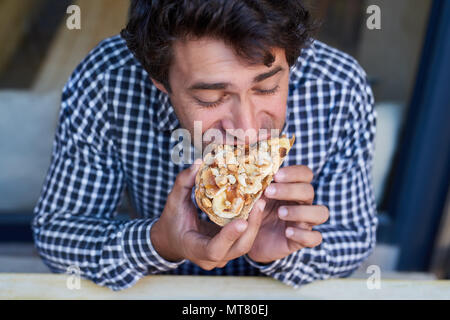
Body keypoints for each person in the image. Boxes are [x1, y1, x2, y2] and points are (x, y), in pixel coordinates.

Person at [32, 0, 377, 291]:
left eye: (268, 87)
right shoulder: (107, 80)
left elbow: (353, 239)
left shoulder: (338, 87)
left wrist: (284, 252)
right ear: (160, 82)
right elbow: (58, 232)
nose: (246, 130)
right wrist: (158, 242)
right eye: (211, 97)